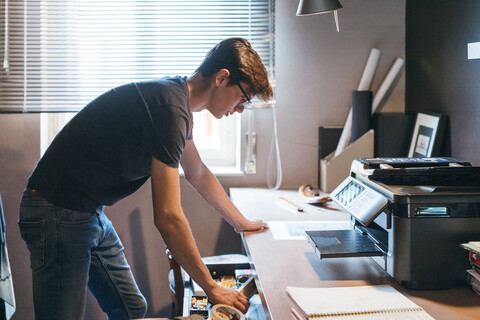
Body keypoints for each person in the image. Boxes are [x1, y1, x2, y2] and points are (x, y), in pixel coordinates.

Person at [18, 37, 273, 320]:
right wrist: (210, 287)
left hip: (86, 212)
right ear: (222, 78)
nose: (240, 109)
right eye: (244, 98)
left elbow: (197, 172)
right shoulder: (169, 109)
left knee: (130, 309)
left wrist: (241, 222)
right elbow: (167, 216)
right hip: (56, 210)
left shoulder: (178, 104)